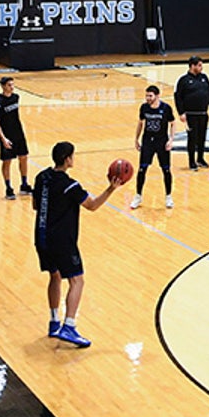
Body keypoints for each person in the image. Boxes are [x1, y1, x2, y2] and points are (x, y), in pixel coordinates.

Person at [32, 140, 120, 348]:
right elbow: (92, 205)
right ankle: (69, 326)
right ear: (67, 159)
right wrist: (111, 189)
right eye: (73, 155)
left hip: (41, 237)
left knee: (55, 276)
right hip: (62, 240)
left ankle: (54, 322)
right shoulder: (69, 186)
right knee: (77, 281)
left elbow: (36, 205)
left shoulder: (41, 177)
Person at [132, 84, 176, 209]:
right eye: (146, 96)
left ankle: (168, 196)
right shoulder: (144, 108)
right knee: (142, 169)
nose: (148, 98)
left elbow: (173, 123)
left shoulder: (166, 108)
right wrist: (136, 139)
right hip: (147, 141)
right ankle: (138, 196)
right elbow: (140, 123)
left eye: (150, 96)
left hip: (162, 141)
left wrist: (171, 140)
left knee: (166, 170)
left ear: (157, 96)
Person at [173, 57, 209, 169]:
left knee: (202, 138)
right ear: (192, 66)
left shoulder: (204, 77)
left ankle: (201, 158)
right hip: (191, 115)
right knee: (192, 138)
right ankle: (191, 161)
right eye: (199, 65)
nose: (201, 68)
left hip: (203, 113)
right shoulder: (183, 80)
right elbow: (178, 97)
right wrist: (181, 112)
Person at [0, 77, 32, 199]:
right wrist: (3, 138)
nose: (12, 87)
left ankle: (24, 184)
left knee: (24, 157)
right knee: (7, 161)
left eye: (13, 85)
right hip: (7, 135)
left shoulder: (16, 97)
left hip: (18, 132)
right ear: (3, 86)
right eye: (9, 85)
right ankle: (8, 187)